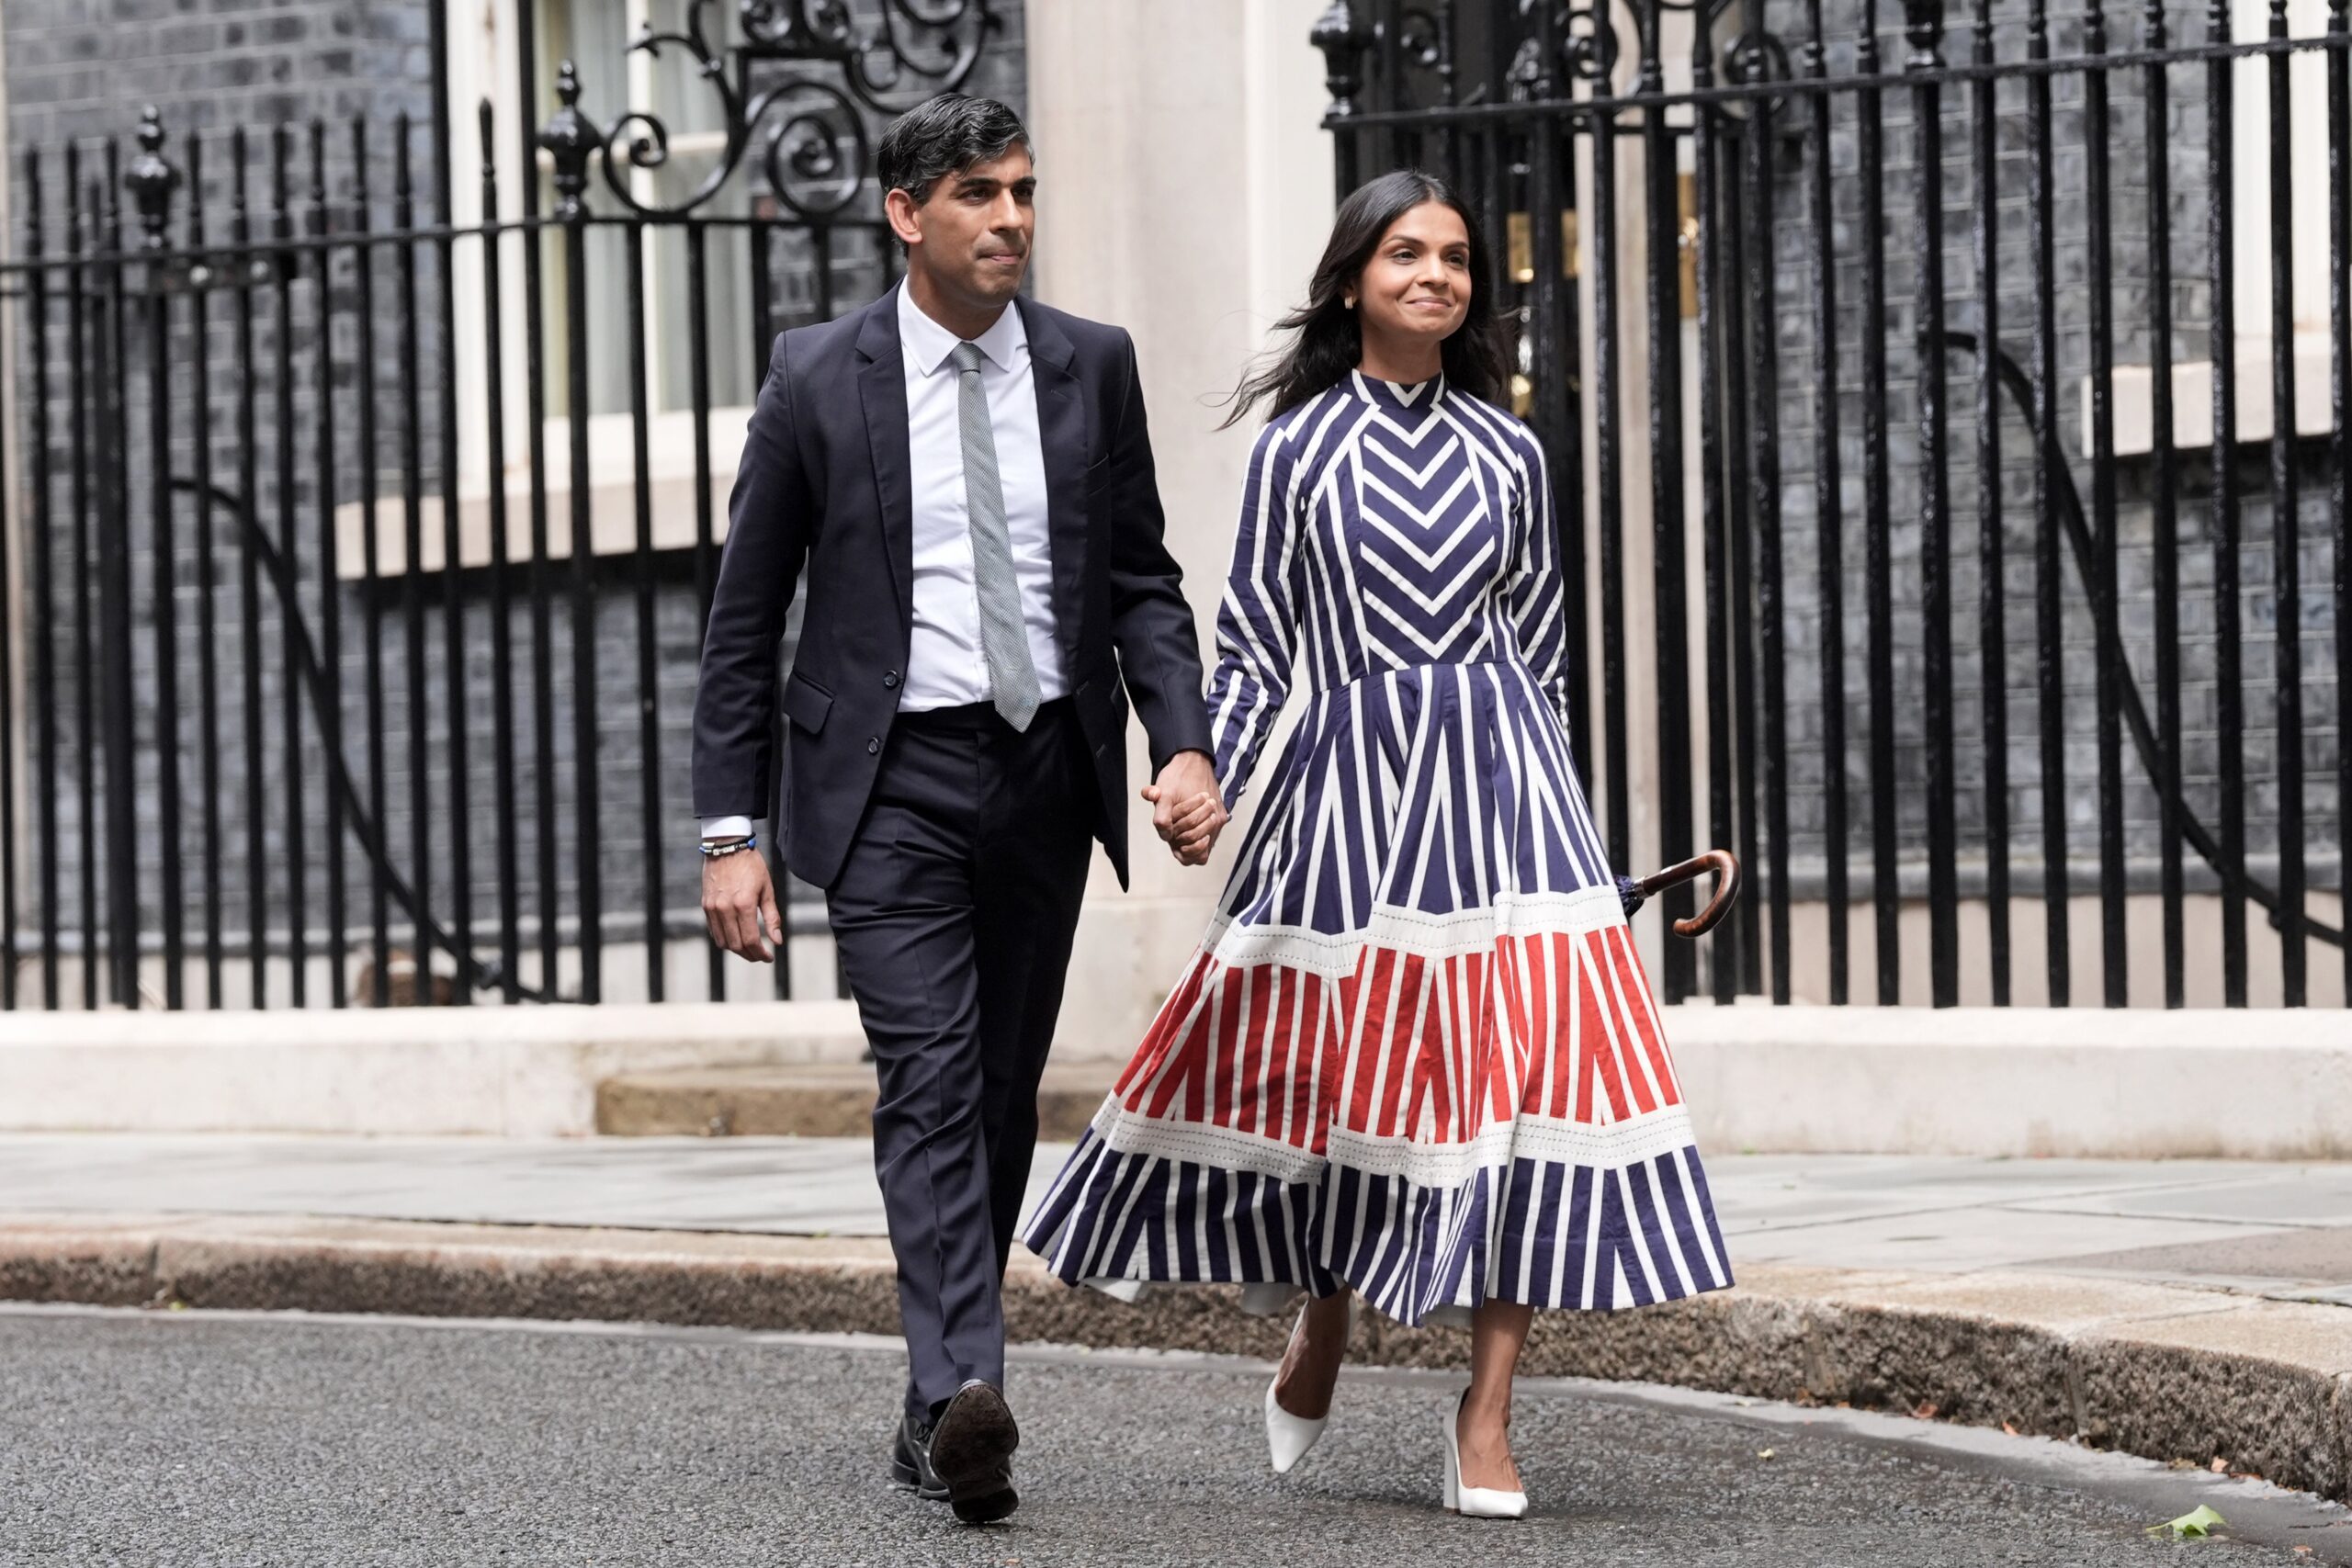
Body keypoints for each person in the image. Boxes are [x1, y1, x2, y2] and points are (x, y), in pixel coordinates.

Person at [1021, 170, 1735, 1519]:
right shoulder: (1297, 452)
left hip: (1506, 803)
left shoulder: (1512, 452)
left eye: (1457, 258)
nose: (1437, 275)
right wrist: (1199, 768)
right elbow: (1256, 644)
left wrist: (1571, 836)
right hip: (1349, 797)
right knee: (1357, 1079)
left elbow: (1542, 658)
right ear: (1352, 279)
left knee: (1529, 1090)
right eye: (1406, 253)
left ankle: (1485, 1413)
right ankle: (1326, 1314)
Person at [691, 95, 1229, 1526]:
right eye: (980, 194)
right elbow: (746, 623)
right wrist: (729, 831)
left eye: (1023, 191)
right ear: (905, 213)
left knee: (994, 1097)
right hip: (887, 786)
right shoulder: (819, 376)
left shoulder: (1088, 366)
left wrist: (1183, 744)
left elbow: (1138, 582)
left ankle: (934, 1402)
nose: (1011, 220)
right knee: (927, 1083)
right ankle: (974, 1400)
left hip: (1045, 774)